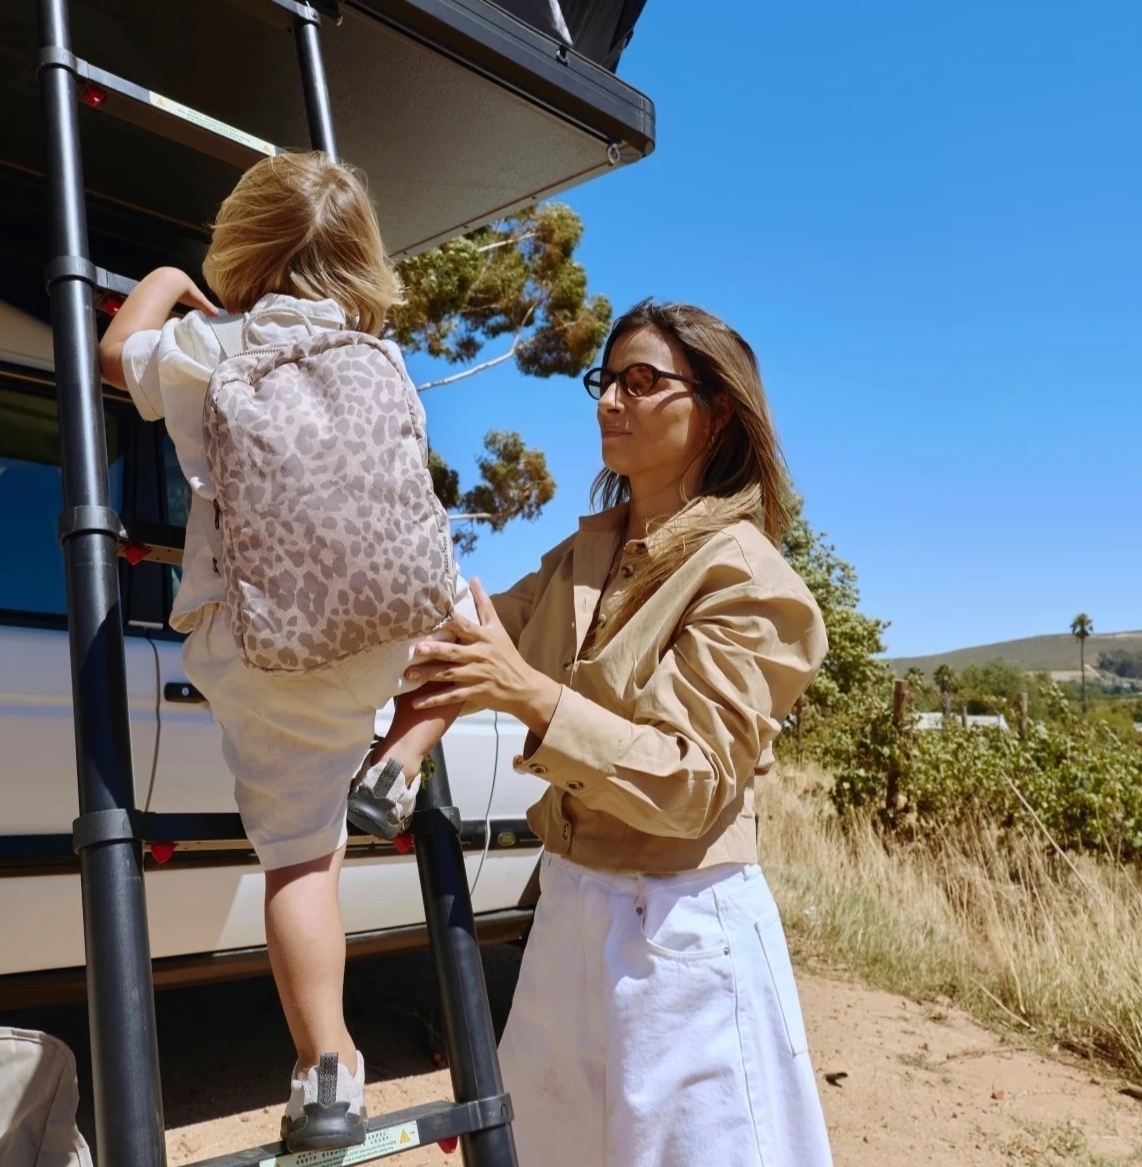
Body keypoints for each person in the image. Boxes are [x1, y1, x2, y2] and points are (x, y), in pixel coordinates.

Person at [97, 151, 472, 1152]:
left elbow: (113, 357)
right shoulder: (379, 356)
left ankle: (327, 1066)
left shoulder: (208, 345)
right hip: (386, 626)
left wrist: (166, 282)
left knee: (302, 859)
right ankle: (402, 754)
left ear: (238, 250)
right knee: (474, 635)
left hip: (267, 646)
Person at [403, 299, 835, 1166]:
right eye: (604, 380)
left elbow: (690, 783)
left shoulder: (748, 579)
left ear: (716, 411)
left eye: (641, 381)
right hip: (566, 909)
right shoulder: (581, 559)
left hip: (679, 930)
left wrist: (529, 694)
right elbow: (467, 637)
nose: (609, 400)